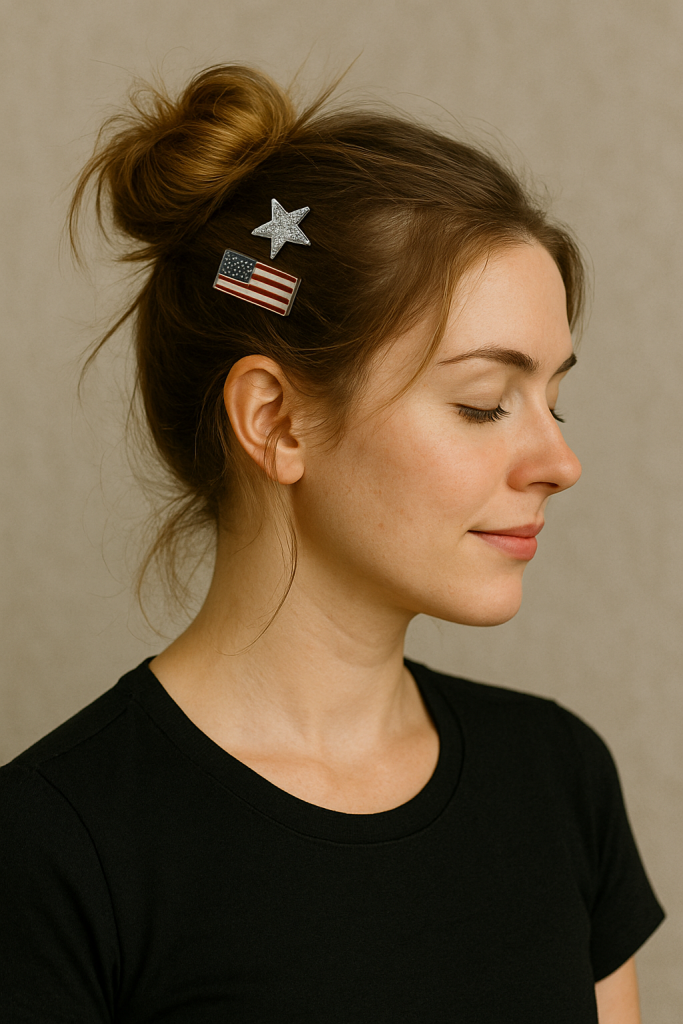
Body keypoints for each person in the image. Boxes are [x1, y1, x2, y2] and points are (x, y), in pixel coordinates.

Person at [0, 64, 665, 1023]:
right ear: (275, 420)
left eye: (553, 399)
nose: (558, 461)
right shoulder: (55, 848)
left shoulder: (558, 781)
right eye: (483, 403)